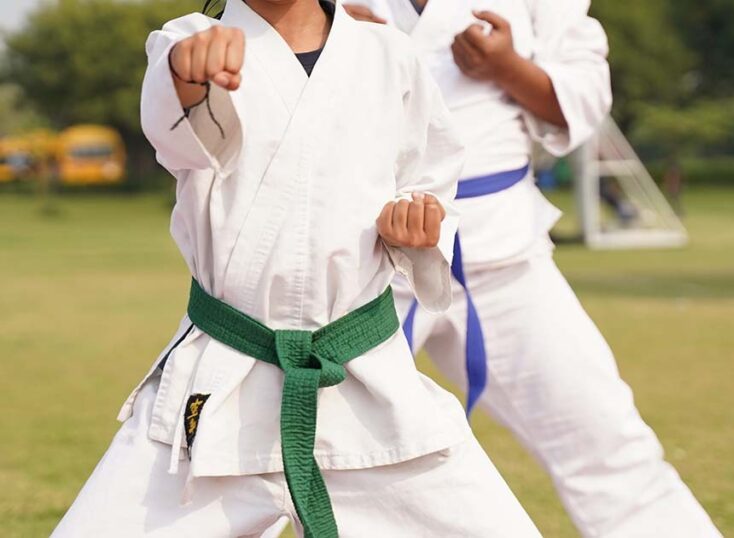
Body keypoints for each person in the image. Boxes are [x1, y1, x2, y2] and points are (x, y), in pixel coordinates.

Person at [51, 0, 540, 536]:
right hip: (220, 387)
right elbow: (178, 132)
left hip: (365, 385)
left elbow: (429, 178)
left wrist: (417, 227)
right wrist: (188, 74)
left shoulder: (388, 55)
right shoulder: (186, 40)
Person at [338, 1, 722, 536]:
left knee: (606, 443)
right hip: (355, 261)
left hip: (502, 253)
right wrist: (323, 52)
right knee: (265, 446)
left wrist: (507, 67)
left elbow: (583, 100)